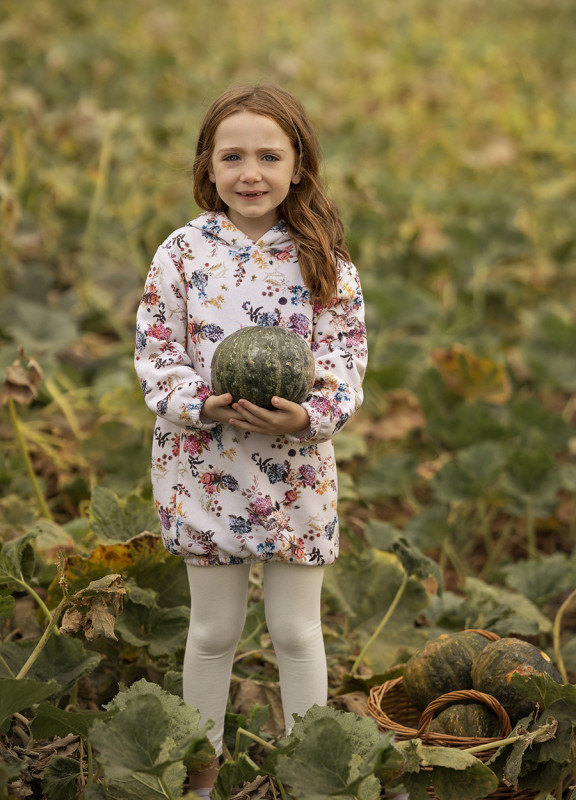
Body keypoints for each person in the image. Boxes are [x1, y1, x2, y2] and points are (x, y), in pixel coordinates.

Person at [134, 84, 367, 796]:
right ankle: (196, 780)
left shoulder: (323, 258)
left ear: (298, 166)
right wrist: (201, 404)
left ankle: (313, 778)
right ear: (208, 166)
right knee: (212, 633)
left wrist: (307, 416)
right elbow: (155, 352)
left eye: (269, 155)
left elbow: (345, 359)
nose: (250, 172)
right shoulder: (181, 253)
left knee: (297, 633)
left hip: (295, 471)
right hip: (203, 463)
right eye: (232, 155)